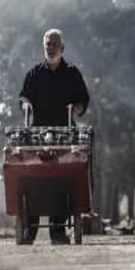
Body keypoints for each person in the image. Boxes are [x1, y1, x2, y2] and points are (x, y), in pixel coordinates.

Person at [18, 28, 90, 244]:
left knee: (61, 180)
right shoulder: (34, 74)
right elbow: (23, 98)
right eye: (47, 44)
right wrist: (26, 105)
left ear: (63, 48)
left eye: (54, 44)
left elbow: (83, 101)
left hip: (65, 134)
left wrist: (75, 109)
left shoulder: (73, 73)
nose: (50, 48)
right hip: (38, 134)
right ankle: (29, 230)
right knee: (33, 178)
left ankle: (58, 231)